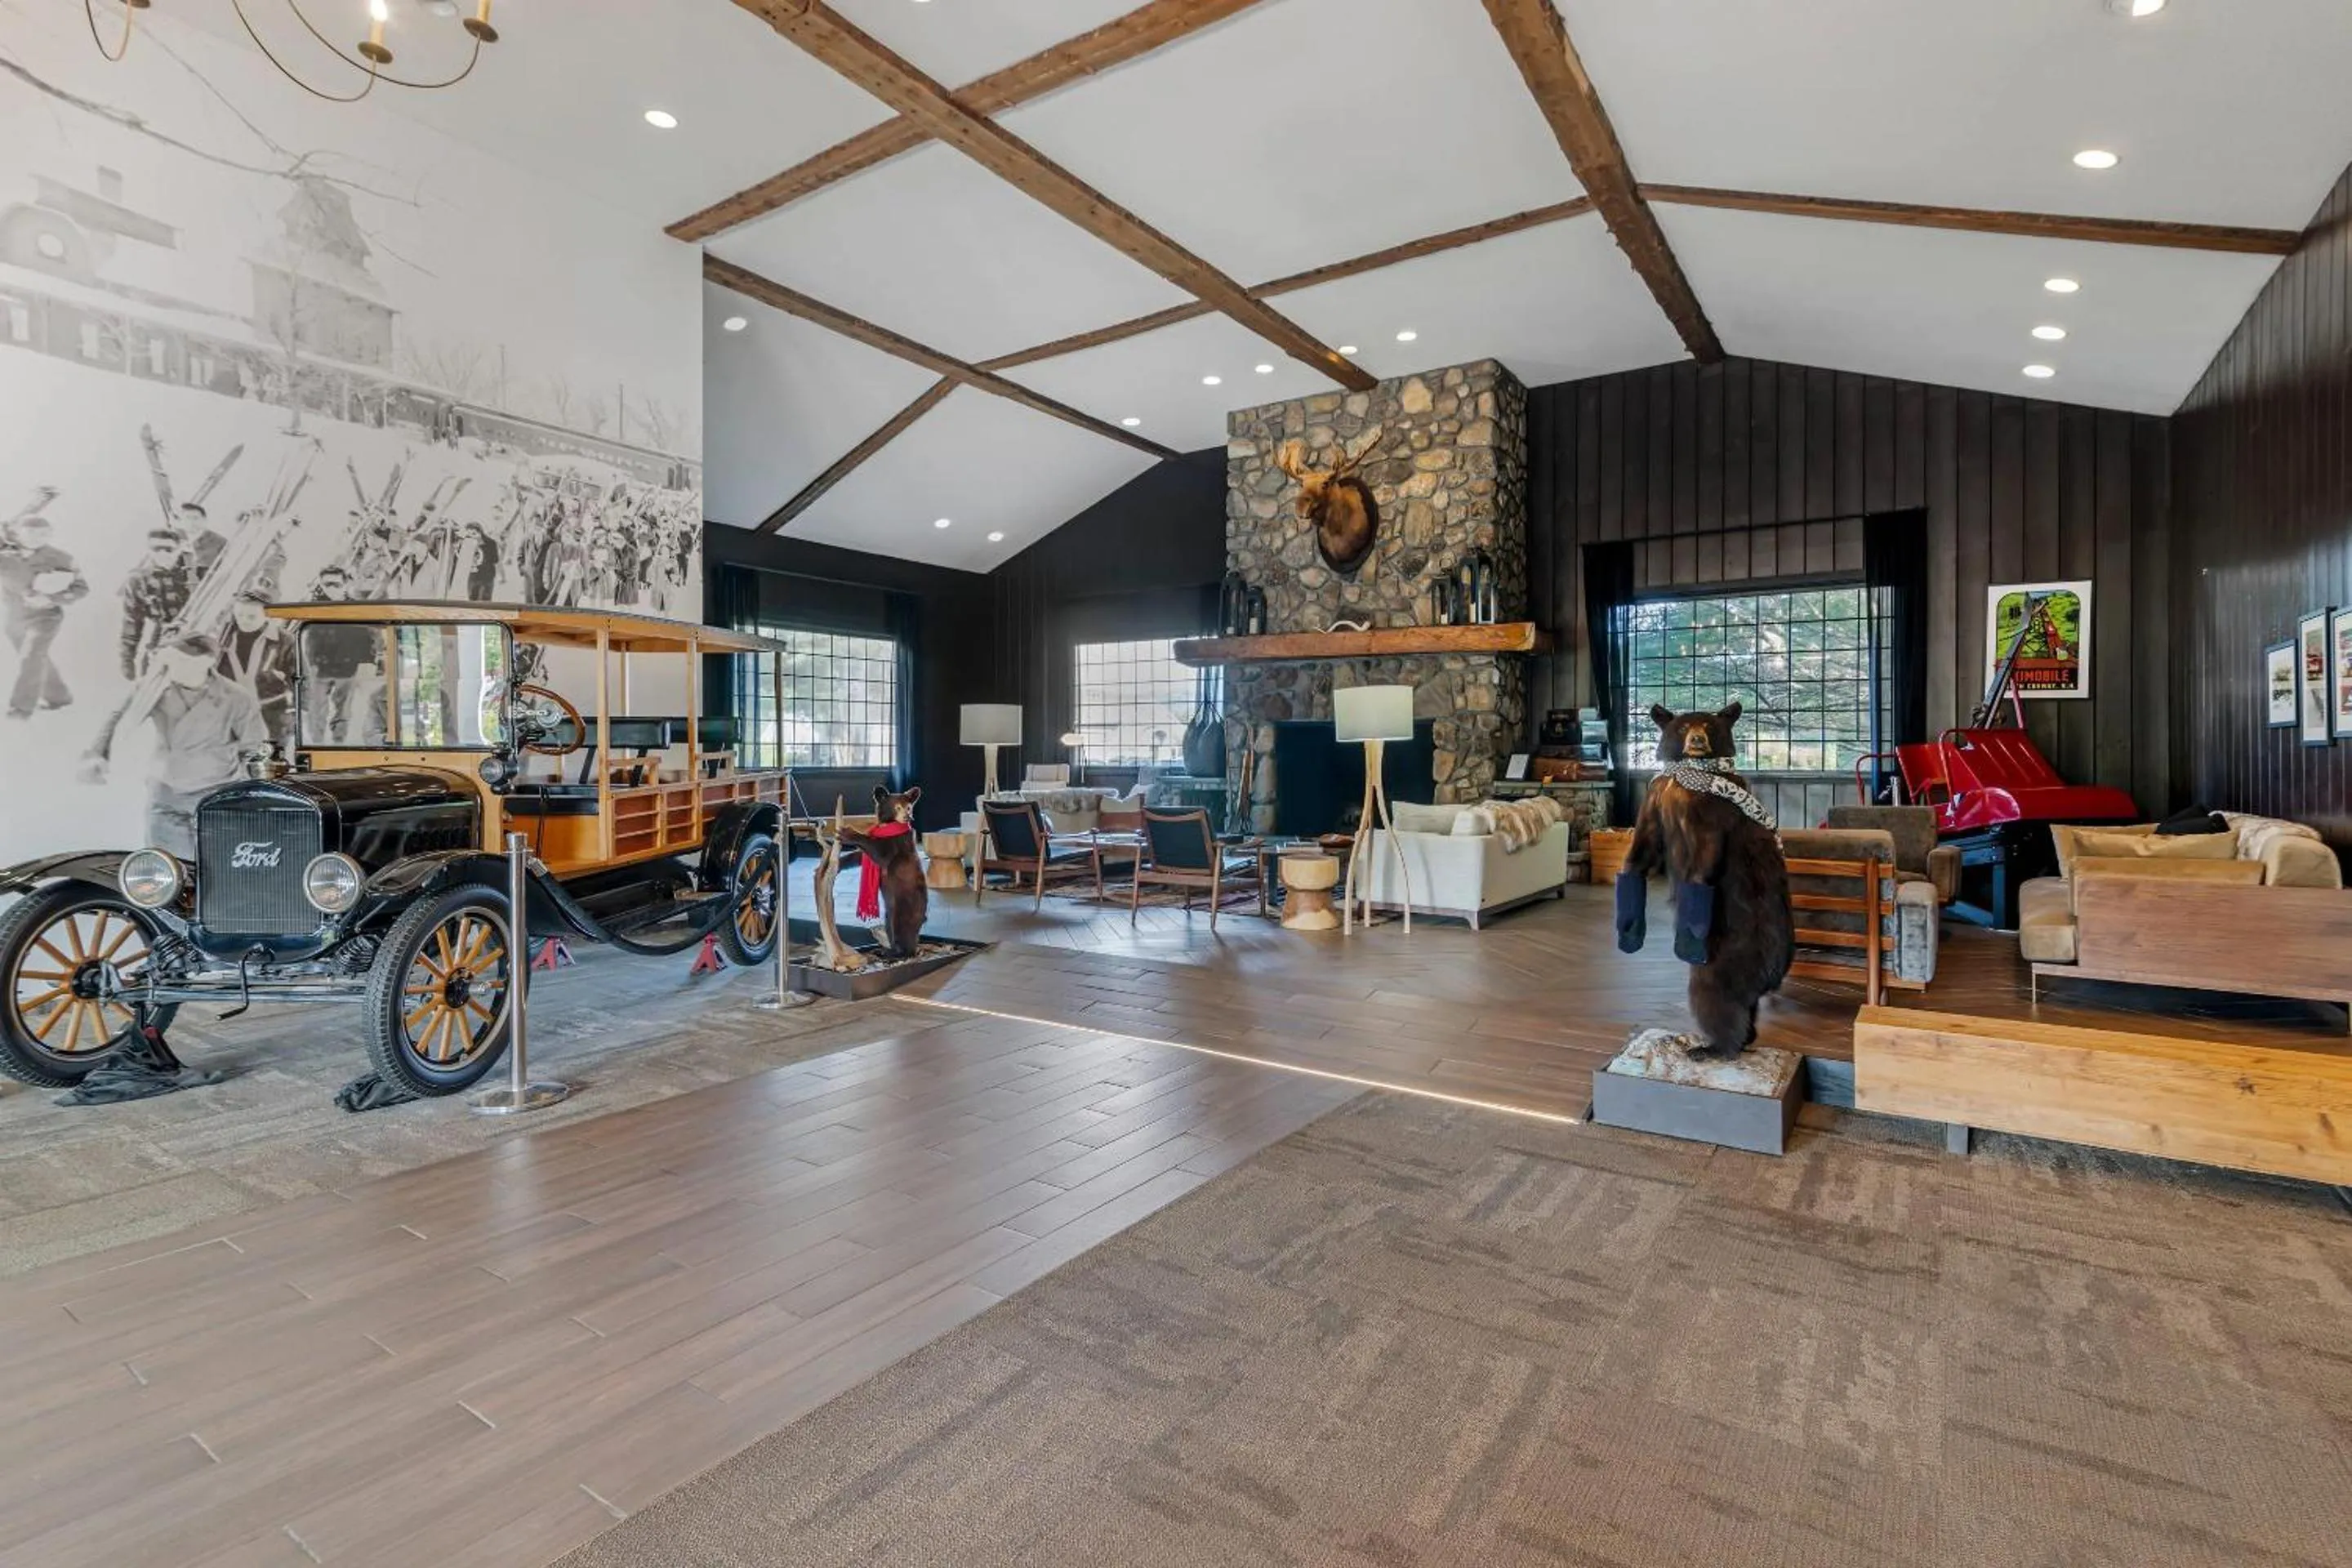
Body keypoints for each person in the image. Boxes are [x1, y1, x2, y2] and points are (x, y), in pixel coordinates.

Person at [88, 633, 267, 857]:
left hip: (217, 796)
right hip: (166, 794)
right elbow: (118, 716)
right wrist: (98, 754)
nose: (174, 665)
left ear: (207, 662)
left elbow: (254, 749)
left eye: (183, 660)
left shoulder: (237, 698)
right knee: (169, 869)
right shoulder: (154, 688)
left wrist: (250, 798)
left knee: (219, 868)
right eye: (173, 658)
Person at [1, 512, 87, 719]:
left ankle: (20, 709)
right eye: (30, 532)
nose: (36, 538)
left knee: (31, 655)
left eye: (43, 534)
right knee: (36, 658)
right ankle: (58, 696)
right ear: (18, 533)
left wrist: (52, 599)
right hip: (14, 618)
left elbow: (81, 589)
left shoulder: (61, 558)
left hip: (46, 617)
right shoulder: (5, 557)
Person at [299, 565, 383, 745]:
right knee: (316, 710)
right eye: (326, 584)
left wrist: (369, 661)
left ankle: (339, 742)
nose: (331, 589)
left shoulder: (354, 609)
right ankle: (317, 745)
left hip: (347, 668)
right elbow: (308, 638)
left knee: (343, 710)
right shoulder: (313, 609)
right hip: (320, 668)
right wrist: (310, 663)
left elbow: (368, 636)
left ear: (345, 585)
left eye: (335, 584)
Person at [217, 590, 295, 750]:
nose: (244, 621)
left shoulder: (284, 641)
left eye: (252, 617)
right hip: (234, 713)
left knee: (272, 757)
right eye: (240, 615)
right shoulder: (223, 638)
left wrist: (299, 710)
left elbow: (300, 678)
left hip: (272, 712)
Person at [119, 527, 194, 679]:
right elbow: (132, 621)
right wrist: (127, 659)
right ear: (149, 550)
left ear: (178, 549)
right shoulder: (138, 580)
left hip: (197, 631)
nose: (162, 554)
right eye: (156, 549)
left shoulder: (194, 573)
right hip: (164, 636)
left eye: (168, 549)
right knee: (152, 675)